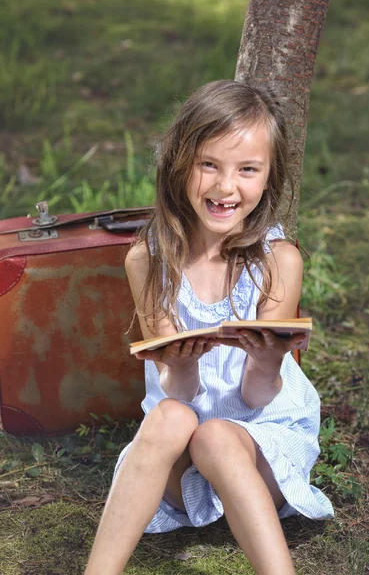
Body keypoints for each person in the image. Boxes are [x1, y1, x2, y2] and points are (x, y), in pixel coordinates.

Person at [84, 80, 333, 575]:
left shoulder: (277, 260)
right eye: (209, 165)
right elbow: (177, 393)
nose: (225, 188)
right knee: (172, 419)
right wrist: (180, 365)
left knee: (217, 436)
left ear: (268, 177)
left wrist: (267, 357)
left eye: (247, 170)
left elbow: (260, 396)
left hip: (259, 435)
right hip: (183, 438)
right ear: (180, 165)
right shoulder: (147, 261)